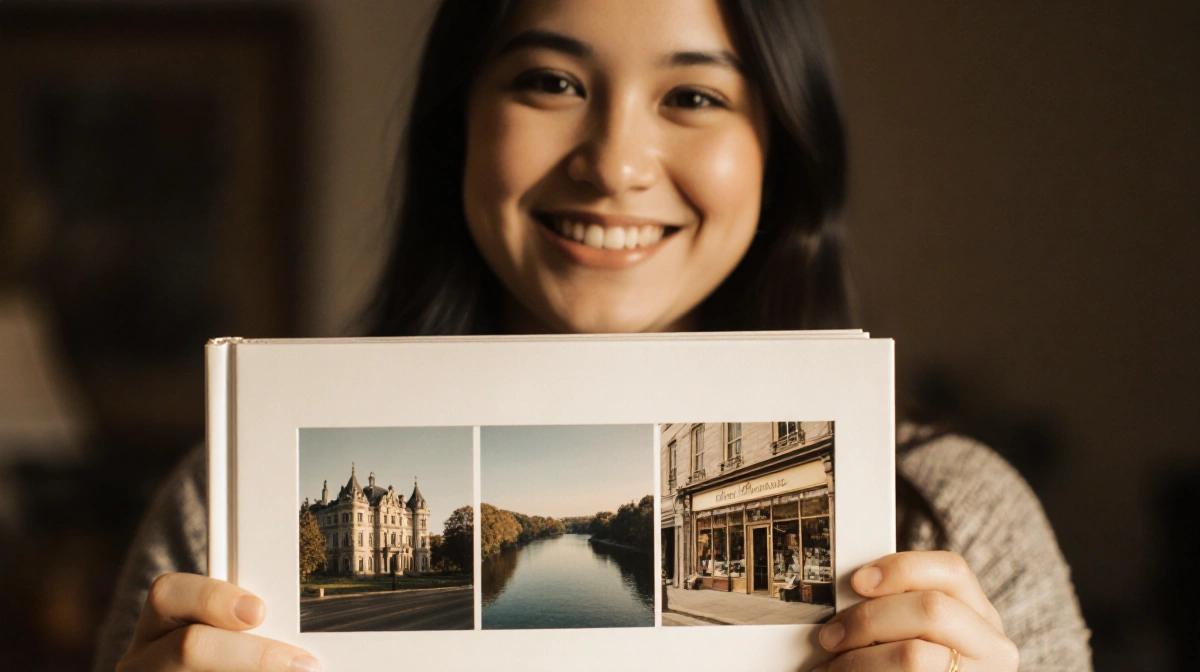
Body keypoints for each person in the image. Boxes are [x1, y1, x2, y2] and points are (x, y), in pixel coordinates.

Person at [97, 1, 1092, 671]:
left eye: (693, 96)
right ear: (459, 129)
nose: (616, 163)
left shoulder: (962, 519)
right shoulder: (224, 510)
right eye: (550, 82)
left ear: (780, 149)